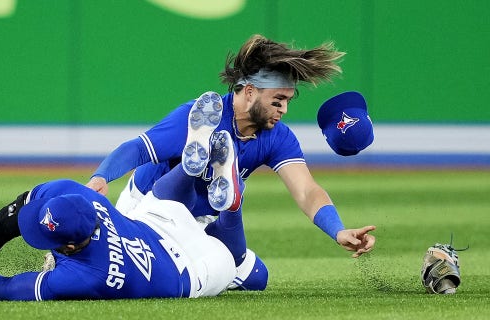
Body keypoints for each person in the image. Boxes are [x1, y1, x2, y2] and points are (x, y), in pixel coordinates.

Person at [85, 34, 376, 279]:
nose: (284, 109)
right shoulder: (199, 114)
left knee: (256, 277)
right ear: (249, 92)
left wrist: (338, 230)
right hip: (147, 208)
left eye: (288, 101)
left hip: (197, 220)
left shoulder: (277, 136)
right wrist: (102, 175)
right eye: (278, 100)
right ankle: (194, 169)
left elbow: (307, 190)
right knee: (142, 273)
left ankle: (217, 199)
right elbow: (138, 148)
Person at [0, 131, 247, 301]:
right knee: (158, 203)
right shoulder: (80, 196)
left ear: (70, 247)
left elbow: (5, 288)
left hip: (193, 271)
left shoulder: (86, 276)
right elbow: (8, 222)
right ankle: (194, 170)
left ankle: (230, 203)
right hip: (156, 229)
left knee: (231, 260)